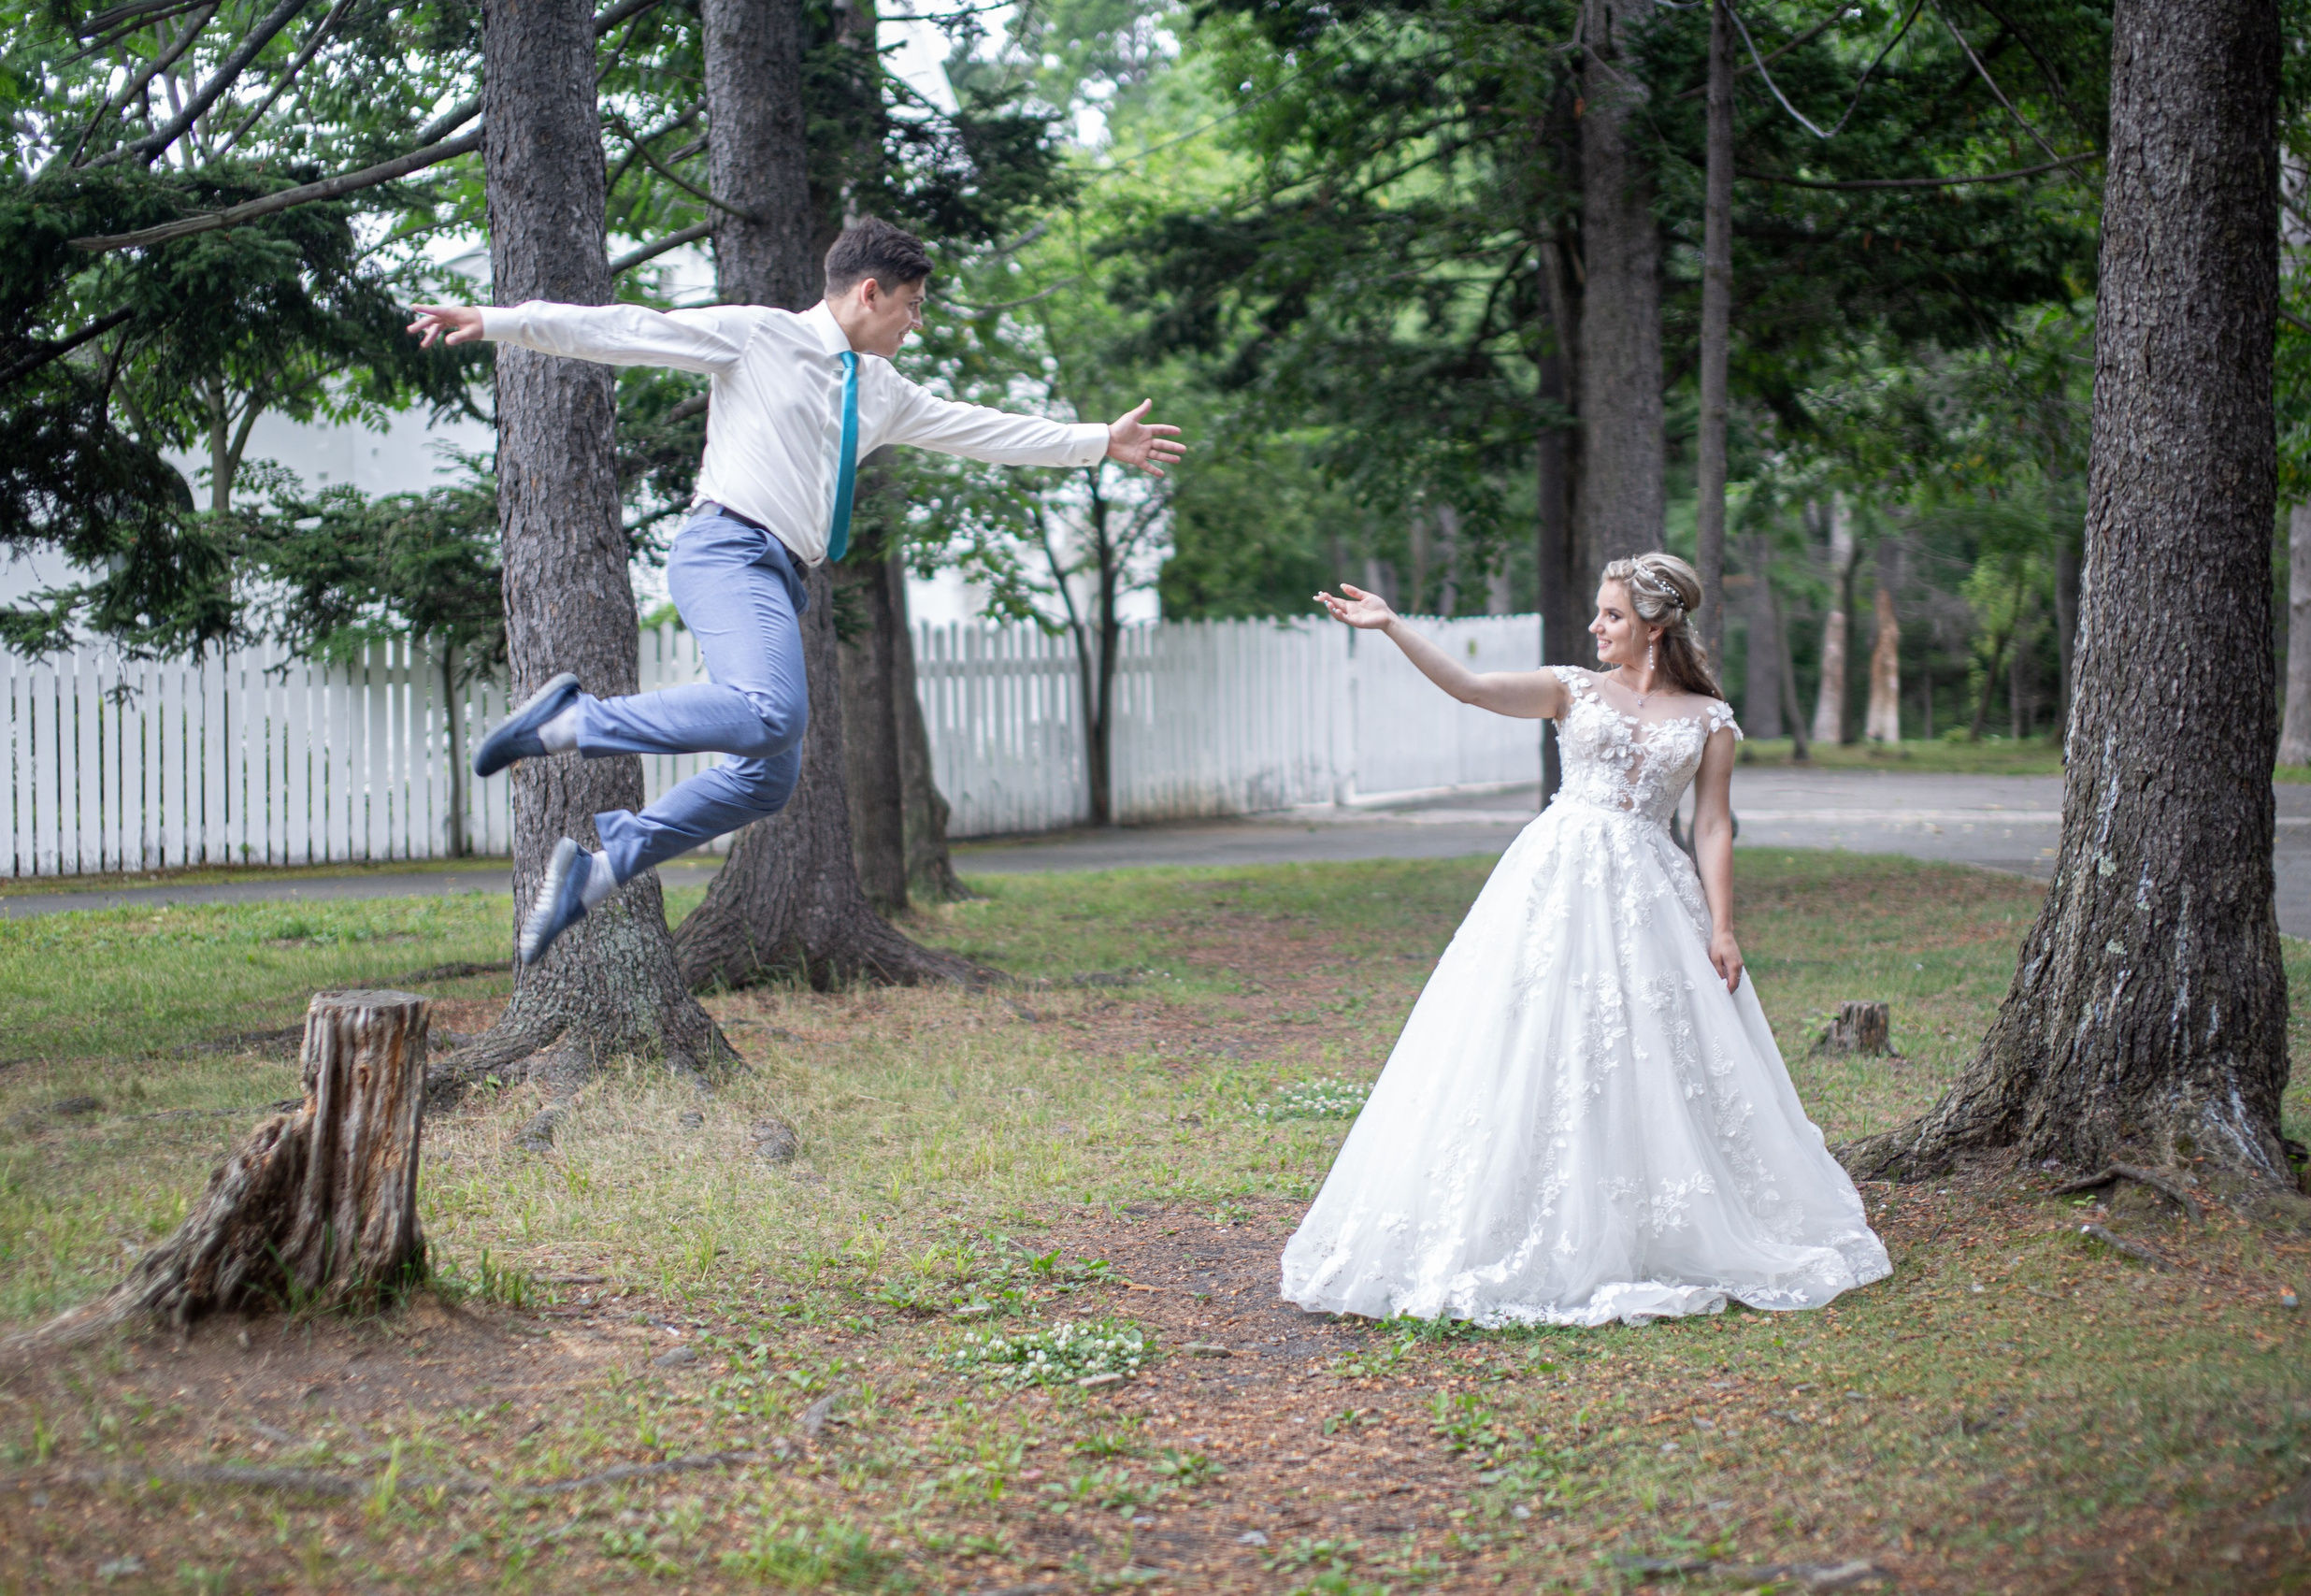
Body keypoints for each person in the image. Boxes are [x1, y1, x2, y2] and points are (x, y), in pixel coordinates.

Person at [408, 216, 1184, 965]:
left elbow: (979, 428)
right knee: (771, 711)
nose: (916, 324)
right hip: (724, 548)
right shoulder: (760, 336)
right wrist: (500, 319)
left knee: (766, 776)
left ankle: (600, 868)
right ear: (870, 292)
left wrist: (1097, 443)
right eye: (912, 308)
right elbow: (626, 328)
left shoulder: (882, 391)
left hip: (778, 574)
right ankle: (573, 719)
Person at [1282, 554, 1891, 1326]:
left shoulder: (1709, 720)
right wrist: (1393, 625)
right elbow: (1470, 688)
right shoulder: (1569, 688)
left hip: (1649, 893)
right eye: (1598, 613)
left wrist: (1725, 927)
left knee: (1647, 1050)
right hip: (1554, 881)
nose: (1596, 627)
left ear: (1655, 625)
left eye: (1611, 615)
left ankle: (1648, 1220)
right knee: (1532, 1033)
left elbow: (1710, 826)